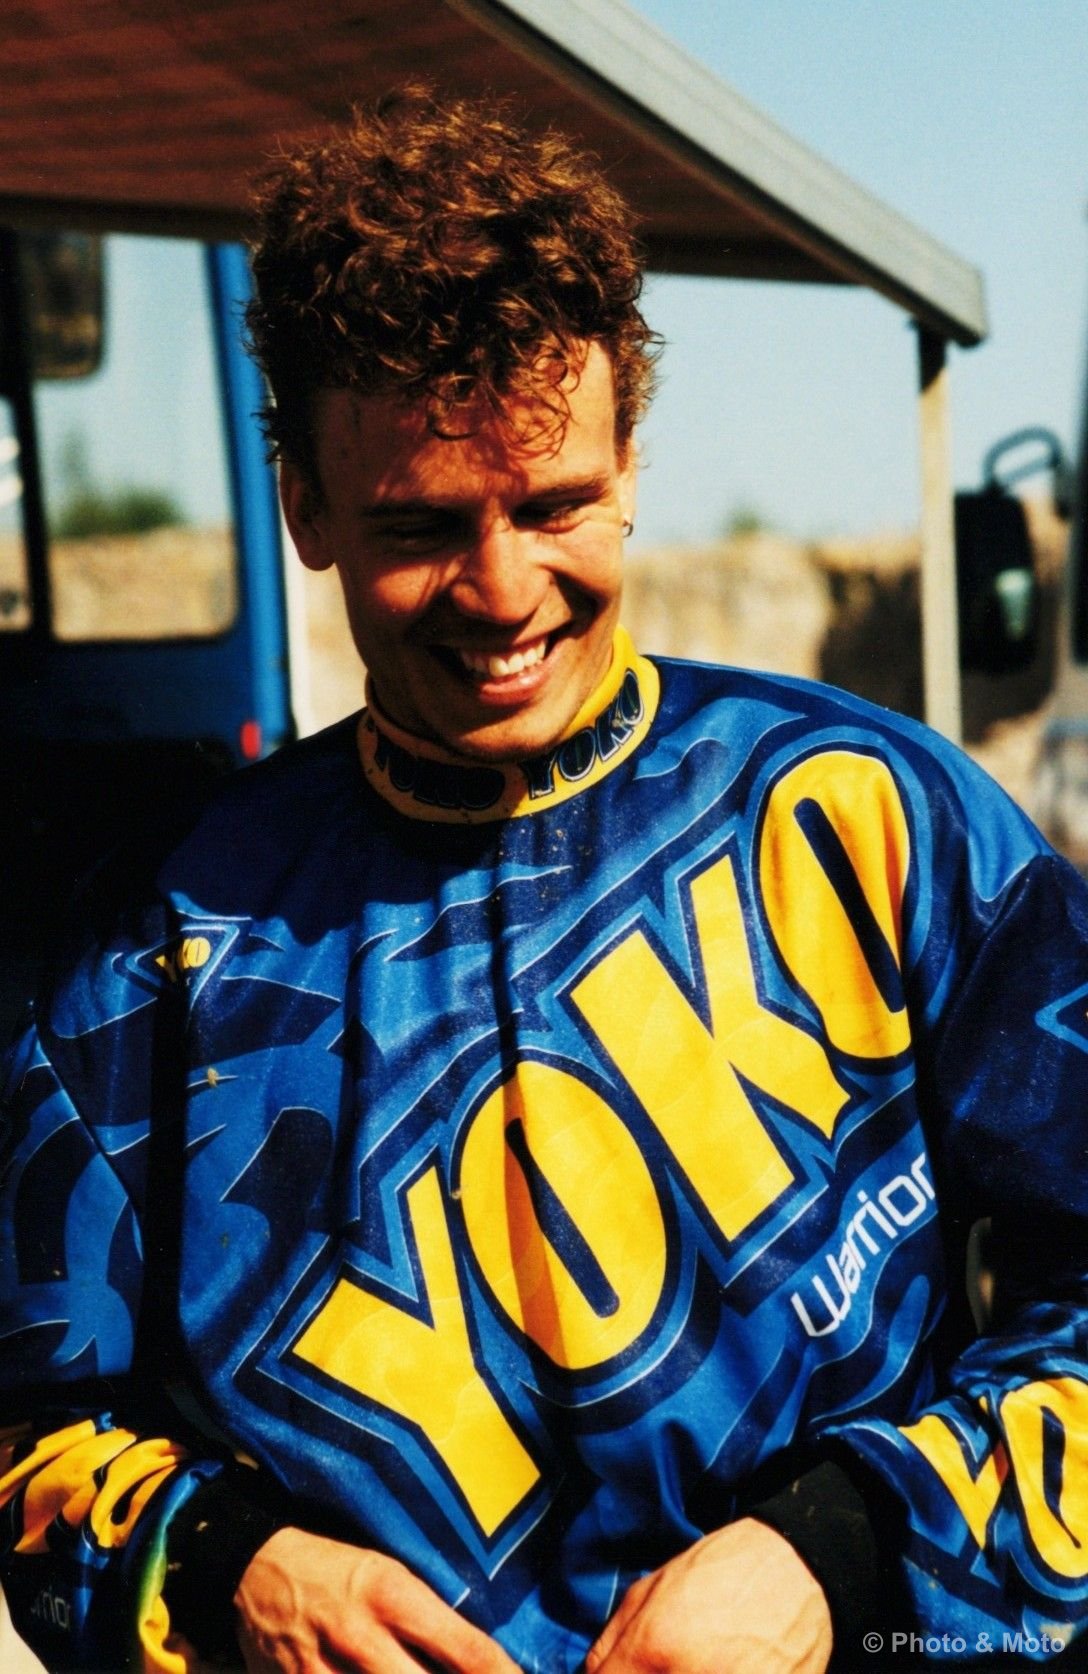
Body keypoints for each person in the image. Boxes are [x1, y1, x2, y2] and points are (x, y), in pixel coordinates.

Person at [1, 85, 1088, 1674]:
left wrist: (839, 1548)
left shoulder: (875, 820)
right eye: (420, 525)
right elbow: (31, 1435)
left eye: (556, 503)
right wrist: (235, 1570)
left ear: (631, 459)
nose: (504, 590)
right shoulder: (151, 946)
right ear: (303, 504)